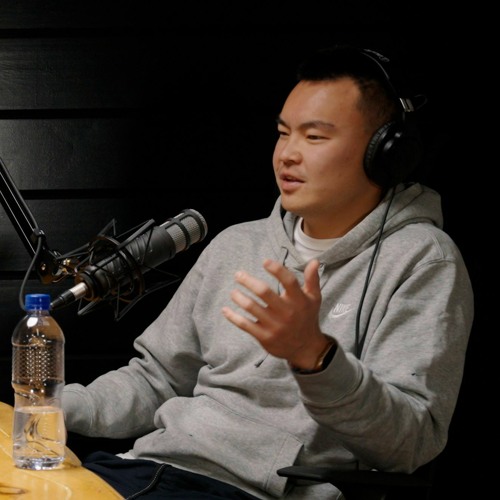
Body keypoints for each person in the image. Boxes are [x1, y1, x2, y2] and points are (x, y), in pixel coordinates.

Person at [61, 44, 474, 499]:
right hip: (144, 470)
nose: (287, 155)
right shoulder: (237, 243)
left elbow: (410, 442)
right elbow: (157, 378)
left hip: (247, 492)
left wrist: (315, 357)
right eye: (283, 133)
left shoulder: (422, 260)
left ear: (386, 153)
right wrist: (53, 406)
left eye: (314, 137)